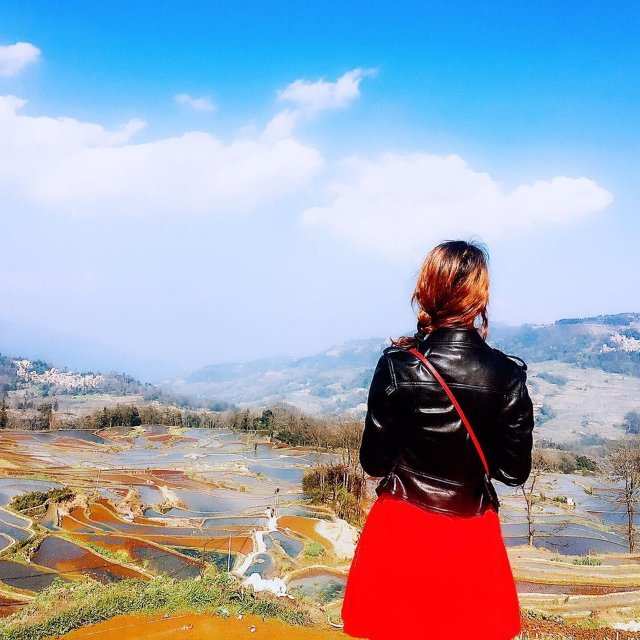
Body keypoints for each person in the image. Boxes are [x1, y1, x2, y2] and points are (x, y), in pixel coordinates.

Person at [341, 240, 534, 640]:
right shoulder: (507, 374)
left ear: (427, 290)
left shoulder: (398, 365)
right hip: (471, 532)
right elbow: (513, 472)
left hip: (401, 526)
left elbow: (374, 462)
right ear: (479, 296)